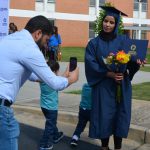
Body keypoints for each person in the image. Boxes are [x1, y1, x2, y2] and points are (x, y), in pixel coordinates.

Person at [0, 15, 79, 150]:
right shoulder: (30, 49)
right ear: (38, 33)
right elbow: (54, 83)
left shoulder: (8, 39)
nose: (46, 44)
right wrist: (71, 79)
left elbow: (25, 72)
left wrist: (57, 77)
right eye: (46, 40)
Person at [85, 6, 144, 150]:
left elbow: (131, 62)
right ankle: (104, 147)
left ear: (116, 24)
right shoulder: (94, 44)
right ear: (102, 22)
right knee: (104, 116)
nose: (107, 25)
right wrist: (108, 73)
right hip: (103, 85)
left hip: (121, 86)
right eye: (106, 21)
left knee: (120, 116)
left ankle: (118, 147)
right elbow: (90, 64)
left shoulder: (124, 40)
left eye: (111, 22)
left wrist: (137, 63)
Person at [70, 83, 92, 147]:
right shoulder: (95, 87)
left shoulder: (84, 85)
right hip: (91, 110)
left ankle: (75, 138)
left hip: (82, 109)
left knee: (80, 125)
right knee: (95, 124)